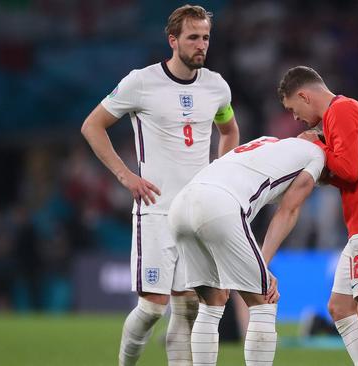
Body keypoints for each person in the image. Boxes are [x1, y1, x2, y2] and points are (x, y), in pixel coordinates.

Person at [80, 5, 240, 366]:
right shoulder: (142, 82)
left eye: (206, 38)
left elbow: (229, 130)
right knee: (153, 308)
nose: (201, 45)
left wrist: (221, 172)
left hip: (194, 214)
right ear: (173, 40)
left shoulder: (217, 87)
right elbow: (93, 125)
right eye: (193, 37)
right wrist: (126, 176)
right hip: (156, 211)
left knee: (186, 309)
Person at [278, 66, 358, 366]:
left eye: (292, 109)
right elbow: (349, 171)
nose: (295, 117)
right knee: (339, 307)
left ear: (303, 95)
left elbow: (349, 170)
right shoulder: (342, 112)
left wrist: (316, 144)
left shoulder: (340, 111)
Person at [168, 136, 325, 366]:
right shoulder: (317, 154)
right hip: (220, 204)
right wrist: (263, 264)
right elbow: (288, 211)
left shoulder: (267, 142)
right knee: (264, 300)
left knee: (211, 303)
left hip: (181, 204)